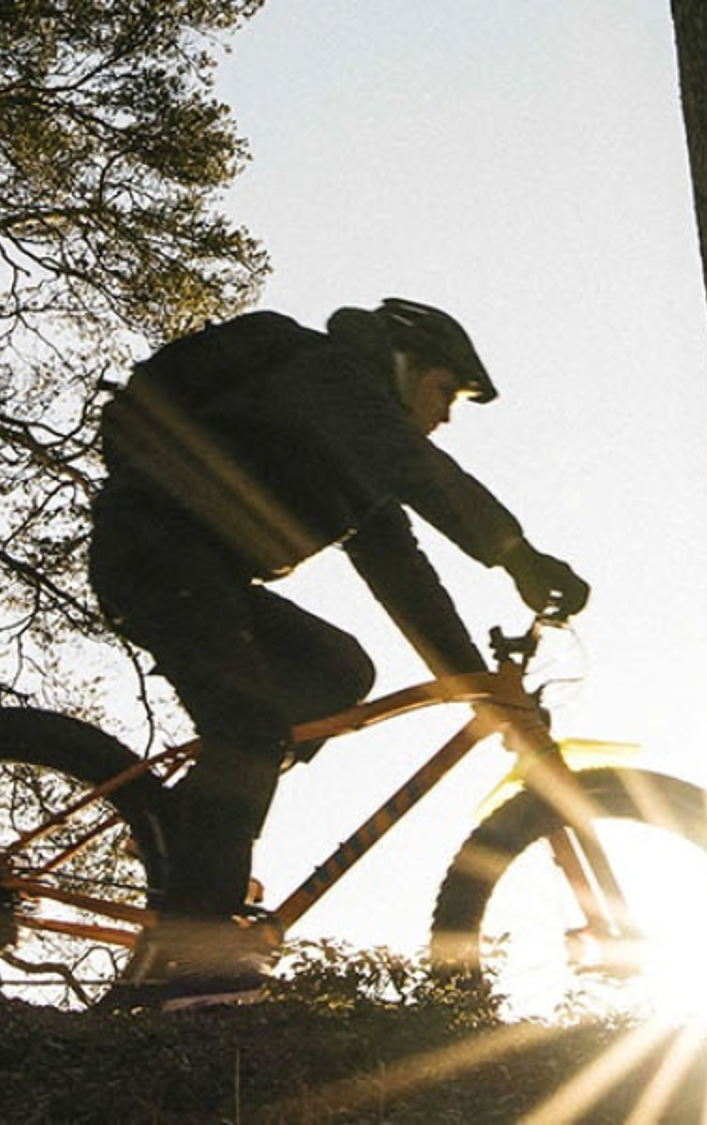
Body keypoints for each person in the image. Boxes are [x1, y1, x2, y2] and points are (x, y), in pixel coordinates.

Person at [88, 297, 589, 1008]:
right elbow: (419, 466)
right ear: (404, 364)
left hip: (201, 569)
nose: (445, 416)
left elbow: (408, 584)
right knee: (249, 725)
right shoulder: (329, 375)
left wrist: (479, 685)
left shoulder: (360, 469)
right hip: (154, 549)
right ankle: (193, 960)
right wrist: (516, 554)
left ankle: (191, 830)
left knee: (339, 671)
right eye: (444, 391)